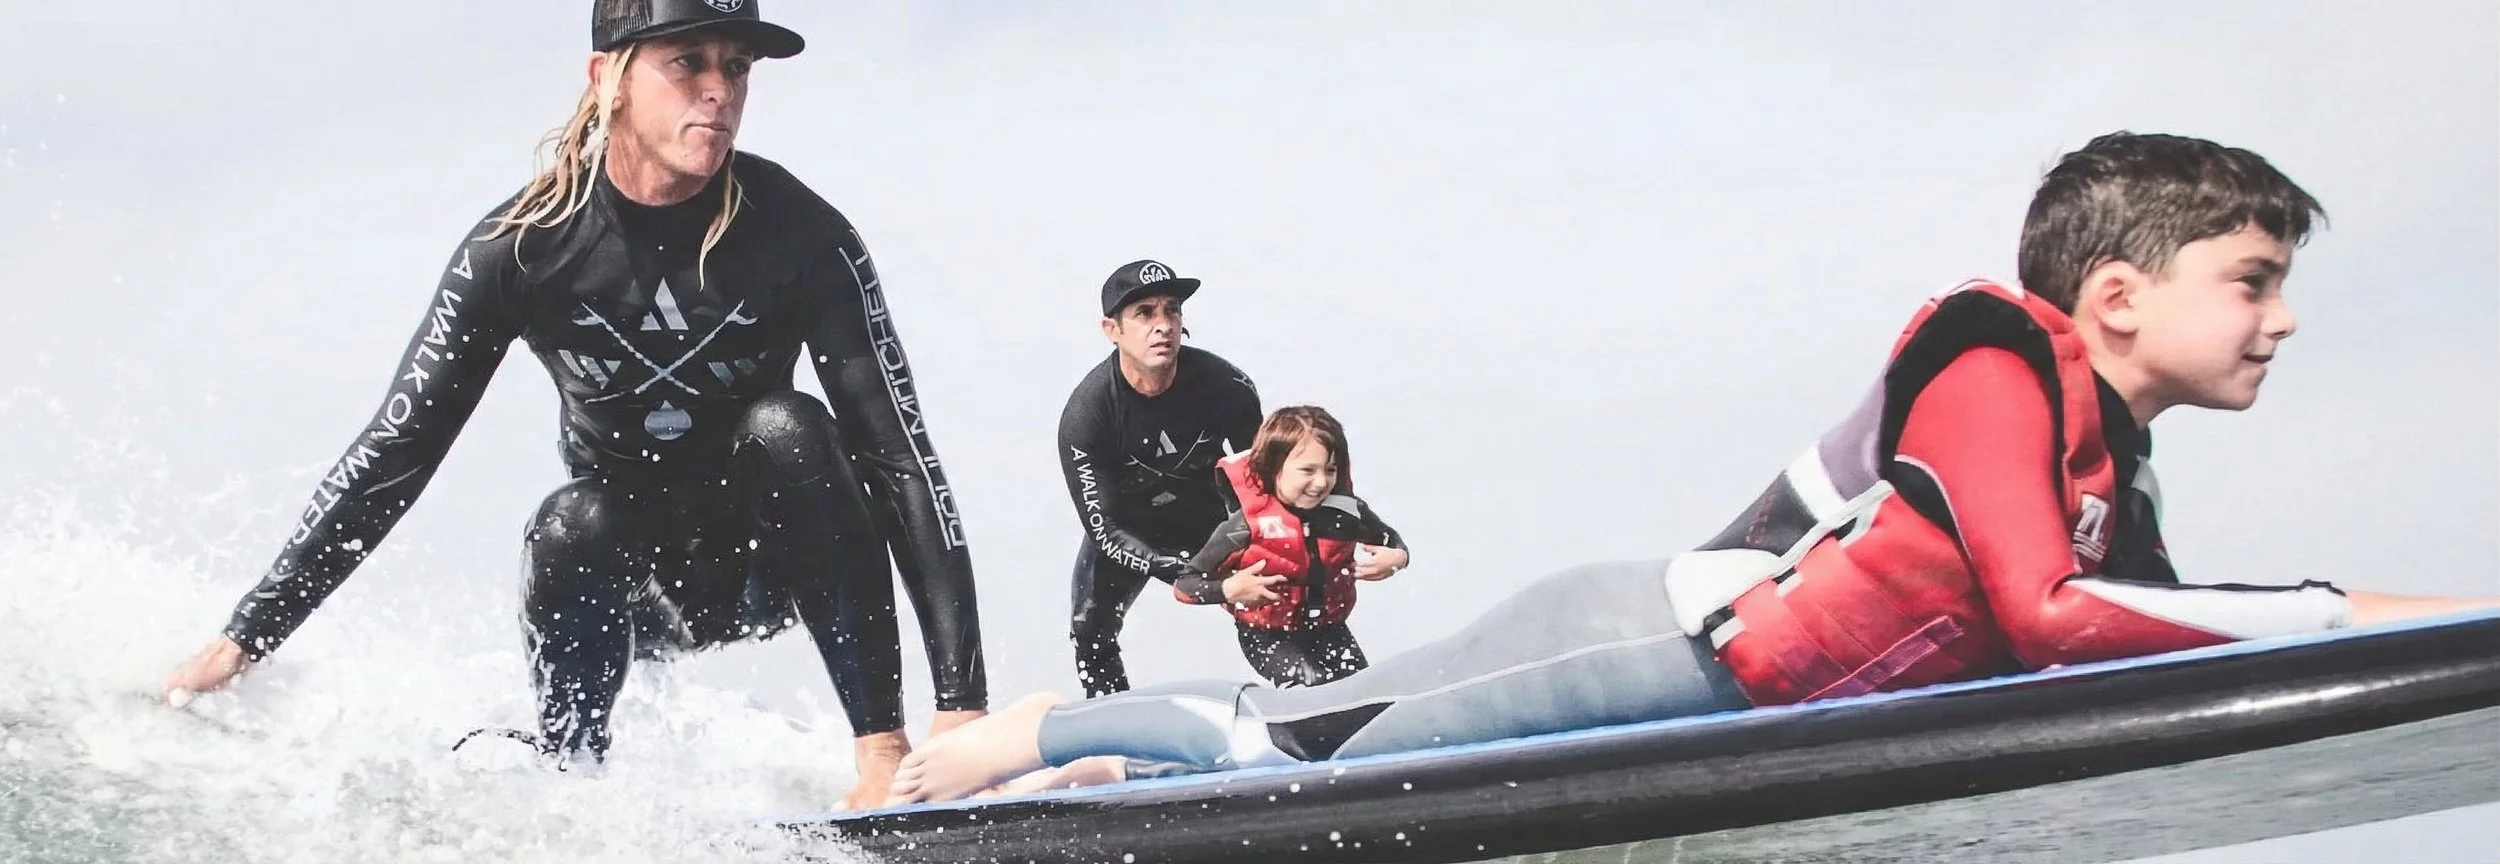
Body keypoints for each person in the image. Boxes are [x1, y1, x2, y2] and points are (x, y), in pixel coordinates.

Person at [875, 131, 2500, 806]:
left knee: (1305, 735)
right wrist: (2365, 614)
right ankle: (1034, 732)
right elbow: (2052, 616)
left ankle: (1110, 769)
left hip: (1702, 660)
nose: (2284, 318)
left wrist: (2423, 620)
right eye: (2253, 279)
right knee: (1284, 744)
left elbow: (2150, 631)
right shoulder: (1993, 363)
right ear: (2123, 294)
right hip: (1640, 645)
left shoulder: (2103, 468)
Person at [156, 0, 988, 806]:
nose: (719, 90)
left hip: (766, 569)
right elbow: (398, 449)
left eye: (736, 68)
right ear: (608, 79)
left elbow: (899, 457)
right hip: (632, 584)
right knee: (571, 519)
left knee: (789, 427)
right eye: (687, 63)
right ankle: (573, 788)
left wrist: (962, 705)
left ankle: (881, 755)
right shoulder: (525, 246)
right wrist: (245, 637)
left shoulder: (801, 234)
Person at [1056, 260, 1264, 696]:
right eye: (1145, 313)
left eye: (1172, 310)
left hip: (1209, 520)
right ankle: (1111, 717)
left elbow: (1265, 492)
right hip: (1127, 530)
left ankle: (1319, 690)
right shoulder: (1087, 414)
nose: (1163, 325)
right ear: (1112, 330)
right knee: (1089, 626)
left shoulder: (1226, 386)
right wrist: (1182, 572)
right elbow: (1103, 529)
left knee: (1276, 579)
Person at [1171, 406, 1411, 687]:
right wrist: (1229, 589)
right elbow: (1185, 586)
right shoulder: (1246, 525)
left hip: (1330, 630)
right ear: (1273, 468)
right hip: (1266, 636)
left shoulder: (1347, 513)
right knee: (1312, 684)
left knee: (1362, 690)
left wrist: (1397, 558)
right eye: (1308, 470)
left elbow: (1391, 542)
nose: (1321, 482)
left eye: (1330, 470)